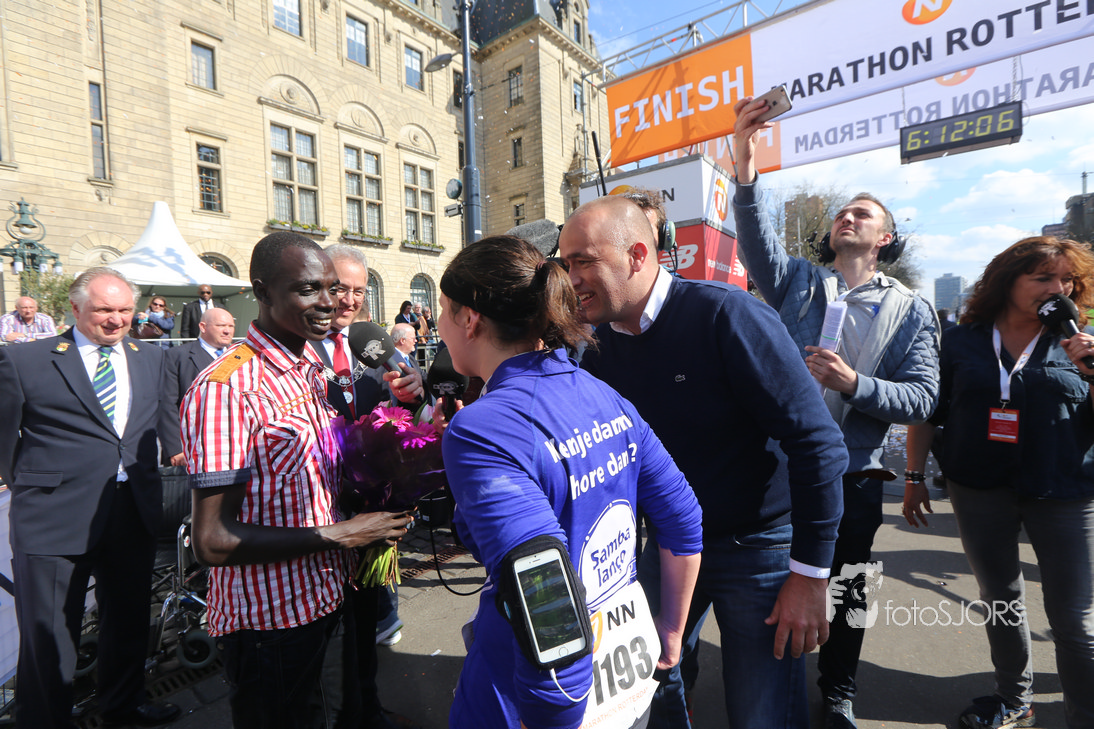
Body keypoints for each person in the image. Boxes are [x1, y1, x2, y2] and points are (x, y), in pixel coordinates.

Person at [558, 197, 848, 729]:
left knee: (763, 715)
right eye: (565, 263)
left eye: (583, 261)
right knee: (647, 684)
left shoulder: (727, 314)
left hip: (757, 547)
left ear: (637, 255)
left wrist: (810, 575)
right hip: (665, 545)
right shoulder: (592, 345)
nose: (570, 278)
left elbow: (817, 441)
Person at [732, 95, 941, 729]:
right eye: (842, 213)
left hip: (854, 475)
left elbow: (923, 398)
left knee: (849, 587)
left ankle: (839, 689)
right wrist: (745, 162)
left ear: (885, 238)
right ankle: (774, 683)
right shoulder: (797, 281)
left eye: (863, 213)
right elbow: (755, 241)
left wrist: (856, 384)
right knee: (780, 581)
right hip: (782, 469)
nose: (847, 217)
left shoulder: (912, 310)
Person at [438, 234, 703, 729]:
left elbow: (546, 594)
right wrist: (671, 629)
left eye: (442, 311)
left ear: (469, 319)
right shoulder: (602, 393)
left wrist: (554, 713)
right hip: (626, 685)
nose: (438, 326)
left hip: (534, 694)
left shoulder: (481, 429)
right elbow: (684, 519)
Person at [180, 233, 413, 729]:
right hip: (271, 623)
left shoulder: (308, 369)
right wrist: (345, 534)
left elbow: (311, 481)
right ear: (262, 292)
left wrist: (390, 488)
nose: (328, 302)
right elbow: (212, 540)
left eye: (332, 287)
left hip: (329, 597)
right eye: (308, 289)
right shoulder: (226, 389)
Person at [904, 236, 1094, 729]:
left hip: (1065, 492)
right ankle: (1014, 698)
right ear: (1008, 282)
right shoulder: (961, 340)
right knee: (1001, 600)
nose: (1058, 289)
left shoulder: (1082, 341)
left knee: (1075, 619)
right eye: (1043, 278)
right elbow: (928, 412)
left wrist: (1092, 372)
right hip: (979, 488)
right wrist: (914, 476)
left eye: (1067, 280)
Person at [0, 267, 180, 728]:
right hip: (53, 516)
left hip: (132, 509)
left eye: (125, 310)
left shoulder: (149, 356)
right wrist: (32, 483)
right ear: (75, 308)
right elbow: (4, 437)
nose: (116, 319)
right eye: (103, 310)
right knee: (50, 635)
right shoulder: (25, 360)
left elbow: (159, 420)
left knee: (128, 618)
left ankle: (124, 706)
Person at [310, 243, 422, 729]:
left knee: (363, 622)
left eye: (359, 290)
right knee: (326, 638)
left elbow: (396, 420)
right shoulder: (297, 347)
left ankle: (367, 709)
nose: (350, 299)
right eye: (340, 287)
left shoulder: (373, 348)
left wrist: (411, 399)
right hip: (316, 514)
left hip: (369, 509)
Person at [162, 307, 236, 467]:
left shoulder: (241, 356)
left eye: (231, 326)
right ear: (203, 327)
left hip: (235, 448)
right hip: (192, 450)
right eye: (221, 325)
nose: (227, 331)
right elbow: (166, 405)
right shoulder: (177, 356)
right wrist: (175, 449)